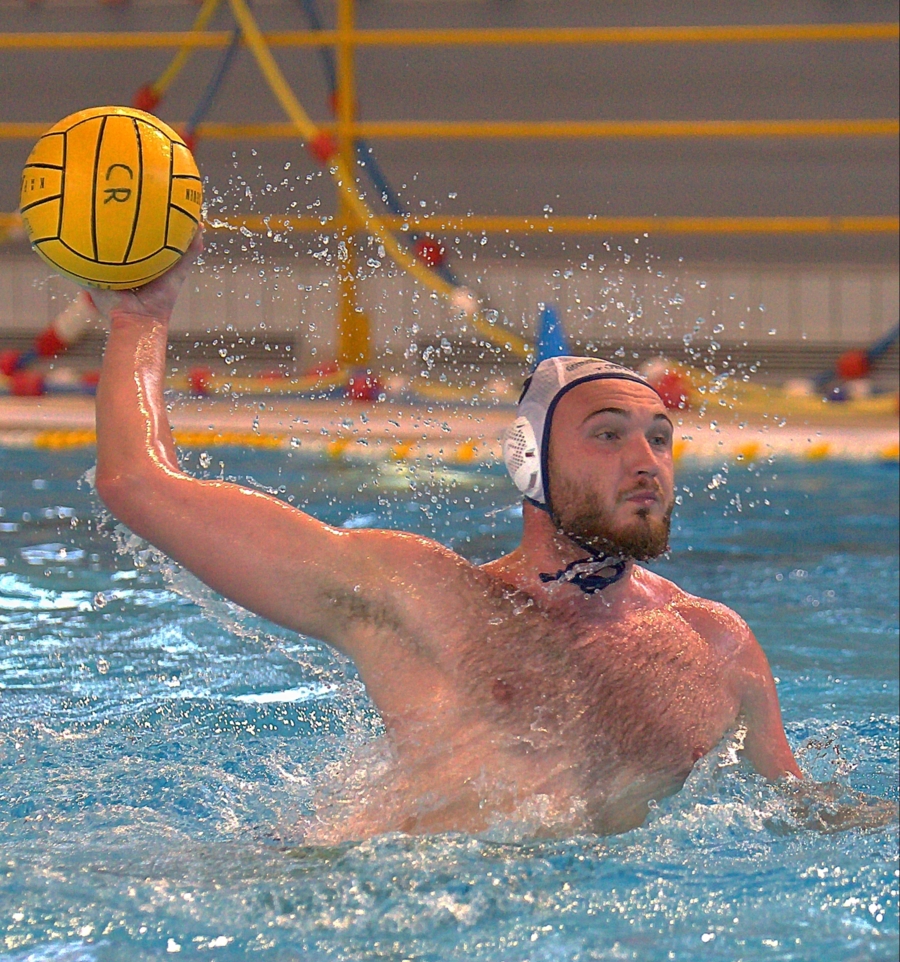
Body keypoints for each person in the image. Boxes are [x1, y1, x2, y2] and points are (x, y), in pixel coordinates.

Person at [89, 242, 881, 842]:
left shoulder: (718, 646)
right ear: (528, 463)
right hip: (385, 921)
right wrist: (141, 319)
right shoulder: (423, 595)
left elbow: (805, 816)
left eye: (661, 438)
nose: (646, 461)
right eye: (609, 435)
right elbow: (139, 484)